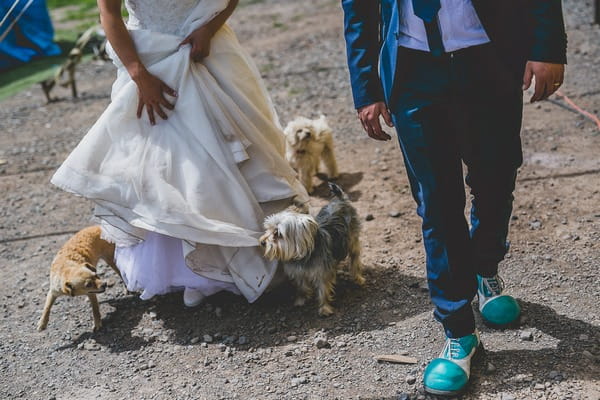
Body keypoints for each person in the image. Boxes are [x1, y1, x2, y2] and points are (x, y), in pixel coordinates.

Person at [341, 0, 566, 395]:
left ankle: (485, 269)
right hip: (413, 70)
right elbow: (358, 8)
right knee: (438, 203)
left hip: (489, 56)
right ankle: (459, 332)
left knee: (496, 180)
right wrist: (366, 87)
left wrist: (547, 46)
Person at [51, 0, 308, 307]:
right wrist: (138, 74)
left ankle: (263, 257)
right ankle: (189, 273)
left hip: (208, 52)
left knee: (236, 156)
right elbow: (109, 15)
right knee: (167, 170)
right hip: (150, 63)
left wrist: (209, 28)